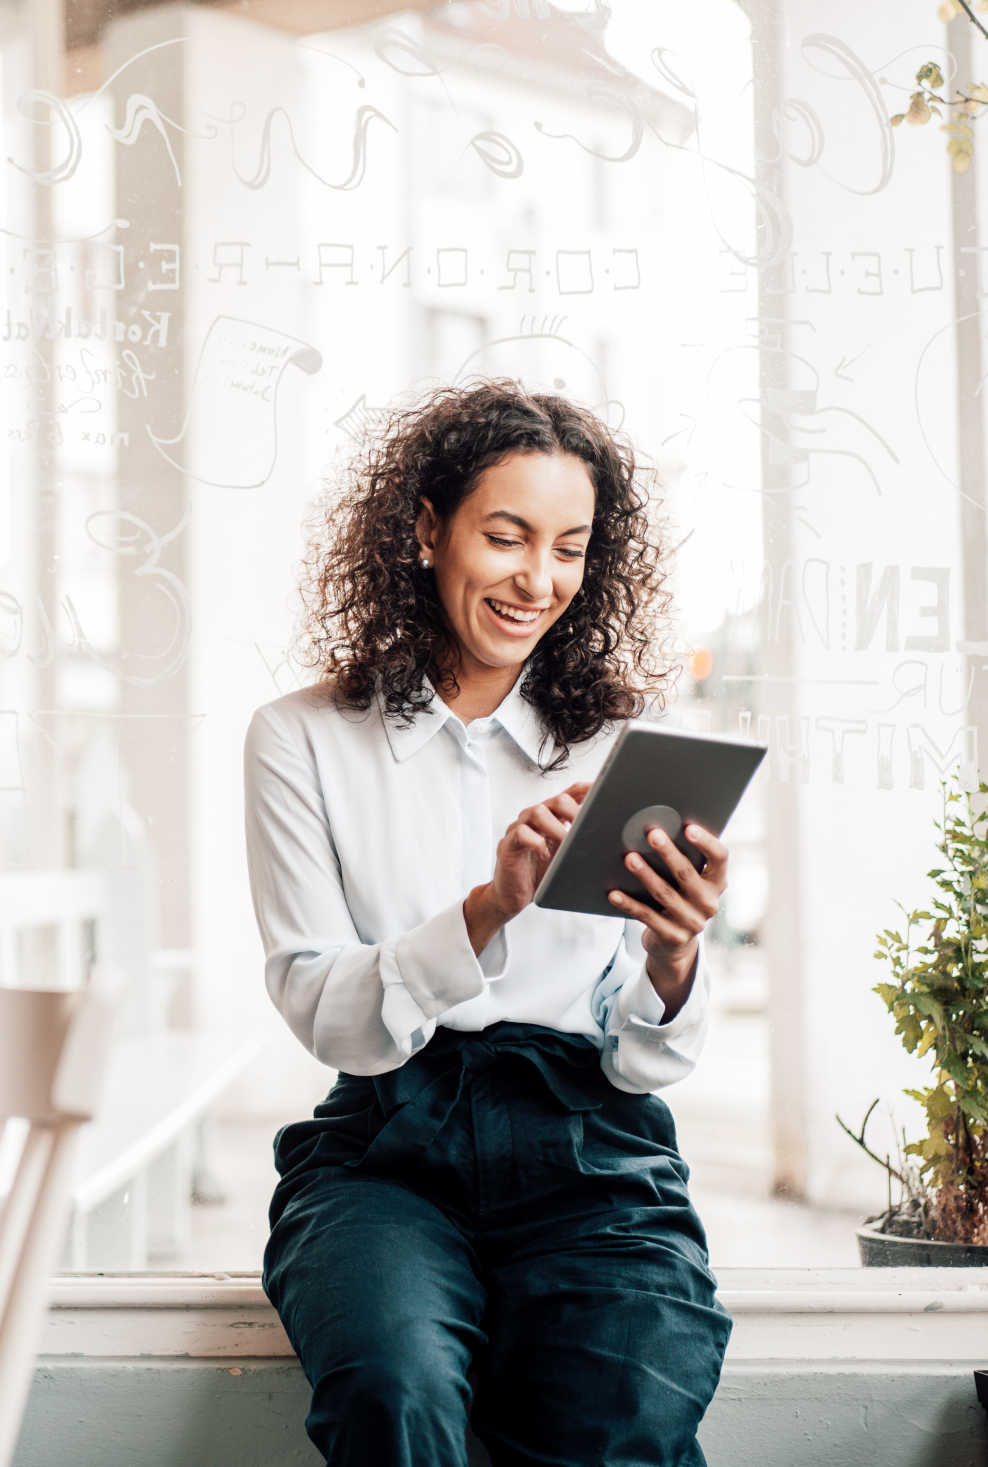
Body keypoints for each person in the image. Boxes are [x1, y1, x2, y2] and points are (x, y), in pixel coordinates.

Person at [244, 380, 732, 1467]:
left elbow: (643, 1055)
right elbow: (323, 1011)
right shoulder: (302, 740)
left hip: (592, 1147)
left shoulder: (622, 745)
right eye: (505, 537)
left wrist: (674, 953)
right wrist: (487, 908)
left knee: (628, 1410)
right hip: (387, 1147)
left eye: (569, 548)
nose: (538, 580)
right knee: (393, 1388)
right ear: (426, 529)